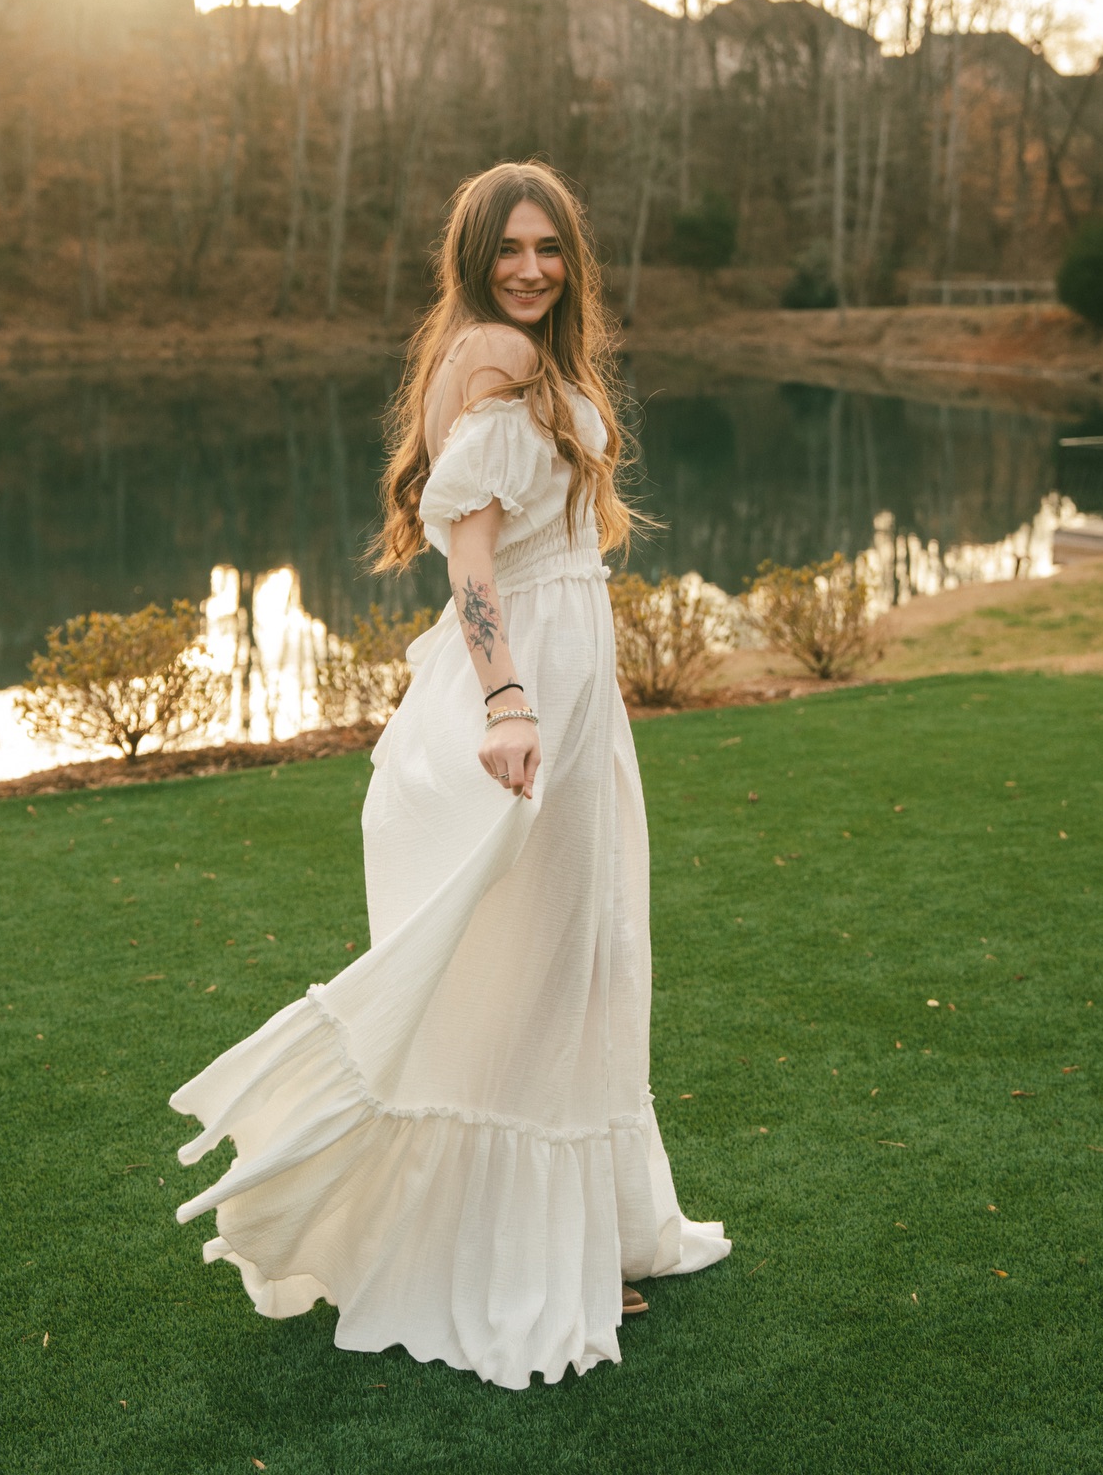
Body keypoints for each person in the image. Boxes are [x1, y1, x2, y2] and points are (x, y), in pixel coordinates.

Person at [171, 162, 730, 1388]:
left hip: (577, 688)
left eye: (550, 248)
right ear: (473, 260)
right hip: (525, 699)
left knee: (585, 962)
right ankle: (524, 1261)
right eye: (508, 249)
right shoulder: (493, 358)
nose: (531, 268)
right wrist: (510, 702)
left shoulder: (535, 362)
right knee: (540, 973)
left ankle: (590, 1232)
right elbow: (471, 570)